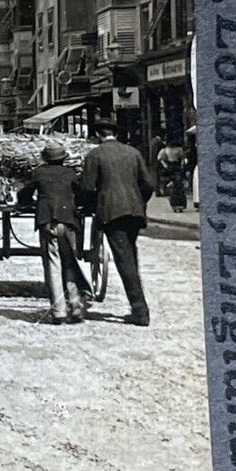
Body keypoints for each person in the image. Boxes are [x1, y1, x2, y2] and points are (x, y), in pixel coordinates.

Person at [79, 123, 156, 326]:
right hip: (135, 212)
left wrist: (92, 208)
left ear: (97, 135)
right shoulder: (133, 152)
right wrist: (138, 201)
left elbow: (87, 188)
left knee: (125, 260)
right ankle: (139, 306)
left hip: (112, 213)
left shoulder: (95, 155)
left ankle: (140, 311)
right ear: (116, 134)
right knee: (130, 254)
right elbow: (148, 184)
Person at [16, 140, 89, 324]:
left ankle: (59, 312)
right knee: (70, 262)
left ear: (45, 158)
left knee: (53, 264)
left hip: (48, 222)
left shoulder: (38, 173)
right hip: (67, 221)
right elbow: (81, 194)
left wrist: (26, 203)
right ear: (63, 158)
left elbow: (24, 193)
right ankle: (76, 306)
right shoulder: (71, 173)